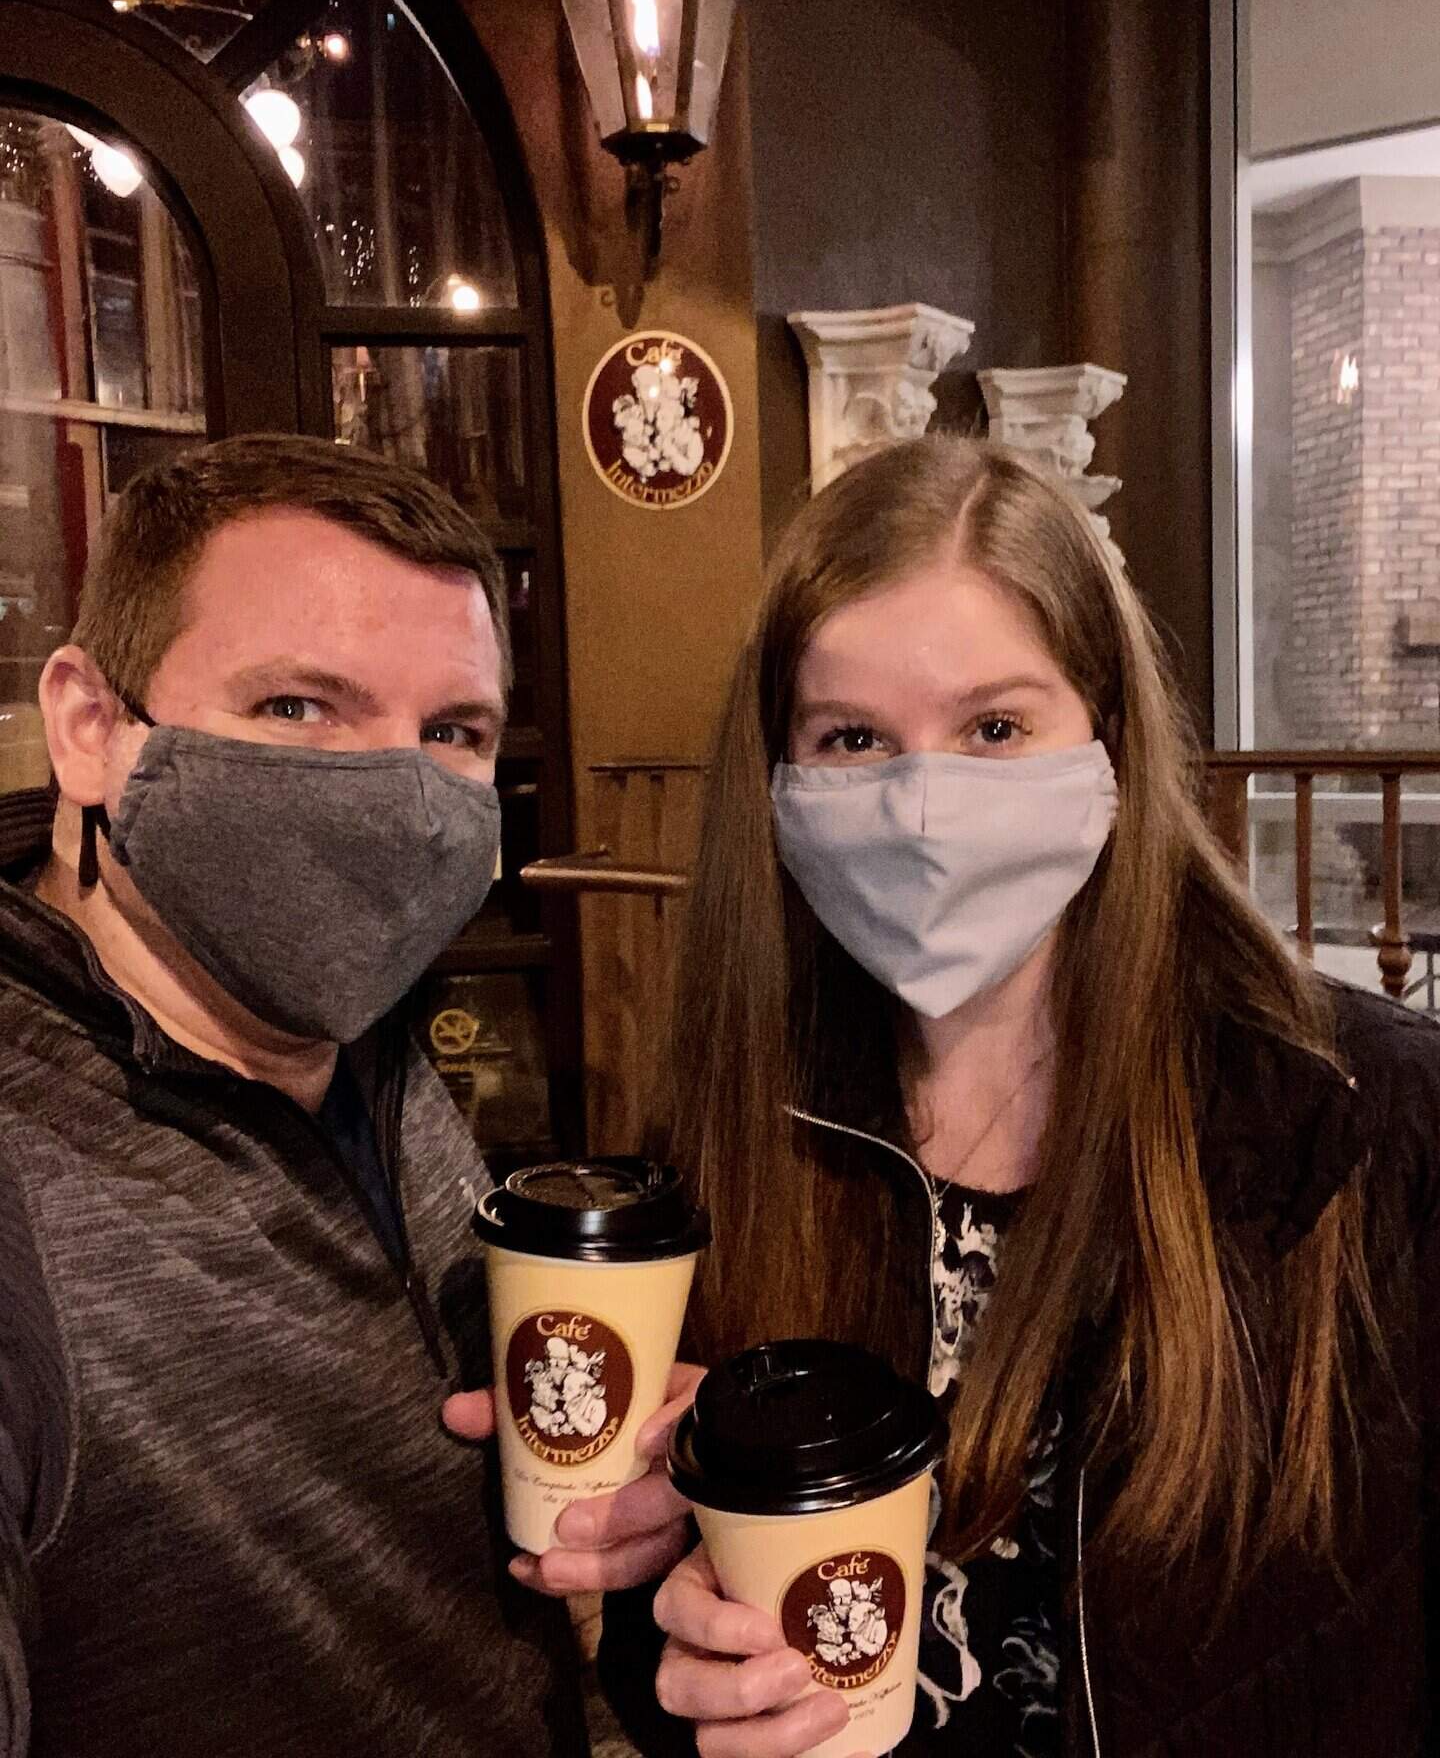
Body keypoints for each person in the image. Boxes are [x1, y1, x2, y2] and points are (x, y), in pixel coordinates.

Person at [604, 438, 1440, 1756]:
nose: (926, 801)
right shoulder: (730, 1139)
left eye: (996, 728)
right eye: (854, 738)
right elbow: (673, 1645)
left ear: (1105, 741)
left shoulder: (1361, 1128)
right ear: (776, 778)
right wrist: (681, 1644)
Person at [0, 434, 689, 1757]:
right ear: (92, 728)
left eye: (452, 732)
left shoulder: (351, 1033)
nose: (393, 794)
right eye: (299, 710)